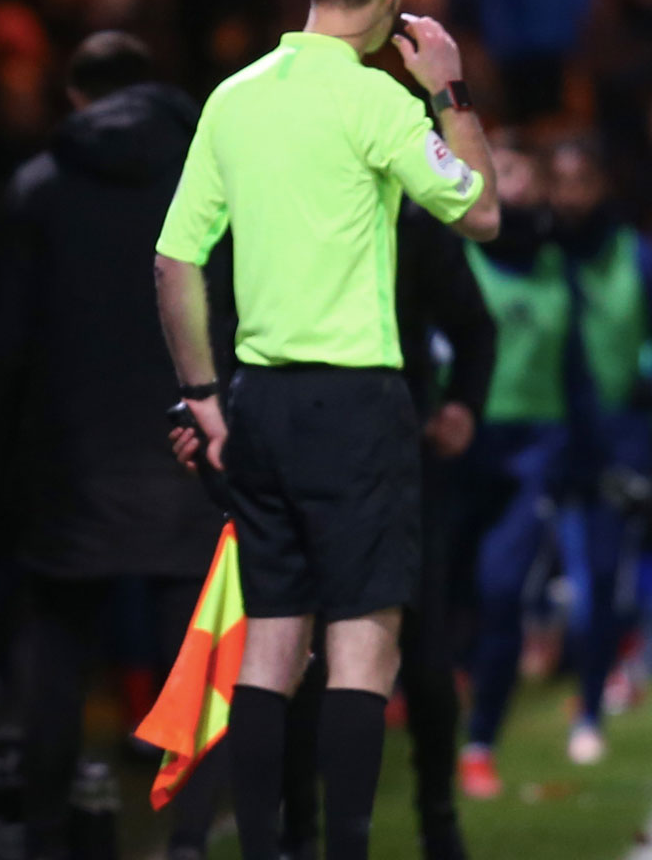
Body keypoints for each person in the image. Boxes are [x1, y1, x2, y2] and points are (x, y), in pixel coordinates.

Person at [156, 0, 500, 860]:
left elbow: (175, 264)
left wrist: (204, 396)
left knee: (271, 639)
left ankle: (269, 851)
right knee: (362, 641)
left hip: (258, 402)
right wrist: (449, 92)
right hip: (356, 401)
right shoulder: (379, 102)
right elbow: (479, 215)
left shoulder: (233, 98)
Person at [0, 31, 229, 860]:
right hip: (185, 443)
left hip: (72, 456)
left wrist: (1, 459)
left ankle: (45, 835)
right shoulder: (206, 175)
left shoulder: (37, 188)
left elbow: (4, 342)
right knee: (190, 651)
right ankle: (190, 837)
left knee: (55, 653)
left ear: (76, 97)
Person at [283, 200, 495, 860]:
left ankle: (437, 818)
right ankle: (300, 833)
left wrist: (461, 403)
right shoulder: (284, 206)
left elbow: (474, 326)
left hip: (401, 461)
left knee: (424, 661)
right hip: (303, 456)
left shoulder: (409, 219)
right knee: (302, 659)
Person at [547, 140, 652, 764]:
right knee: (531, 579)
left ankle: (591, 703)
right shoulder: (531, 255)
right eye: (561, 182)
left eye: (582, 181)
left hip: (616, 438)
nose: (571, 196)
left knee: (598, 574)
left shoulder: (637, 258)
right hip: (540, 436)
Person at [454, 142, 568, 798]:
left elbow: (579, 363)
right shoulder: (452, 251)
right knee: (438, 598)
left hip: (530, 452)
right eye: (499, 168)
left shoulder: (558, 265)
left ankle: (480, 744)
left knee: (502, 594)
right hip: (455, 444)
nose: (509, 182)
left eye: (522, 170)